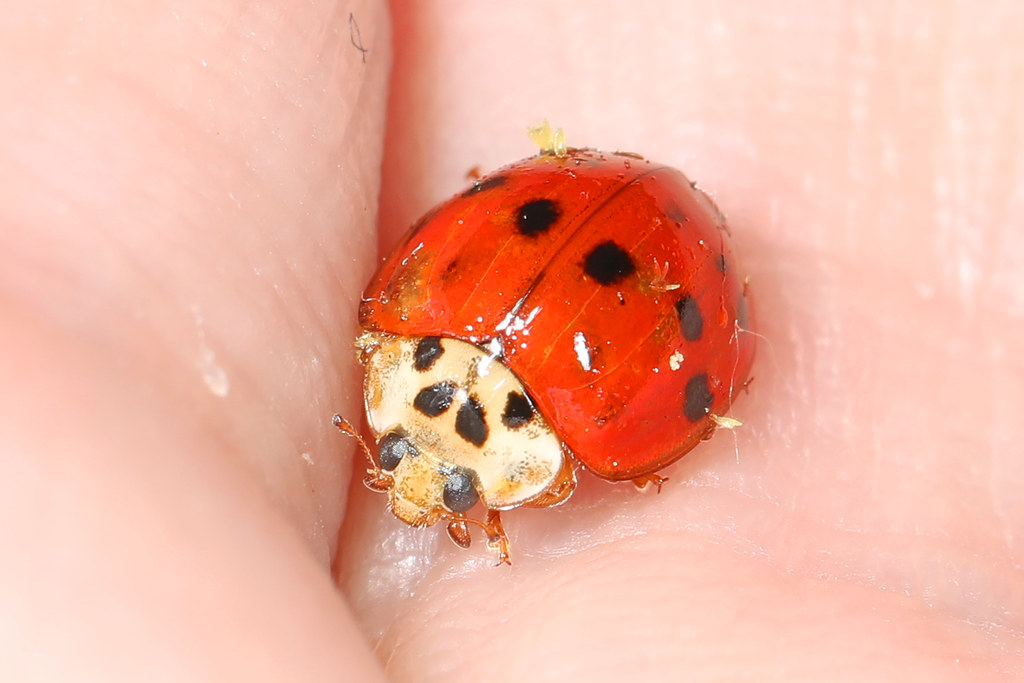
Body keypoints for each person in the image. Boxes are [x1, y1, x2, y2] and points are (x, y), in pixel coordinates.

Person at [2, 2, 1021, 680]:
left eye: (418, 465)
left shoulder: (434, 338)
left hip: (606, 220)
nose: (408, 482)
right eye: (421, 464)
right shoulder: (426, 333)